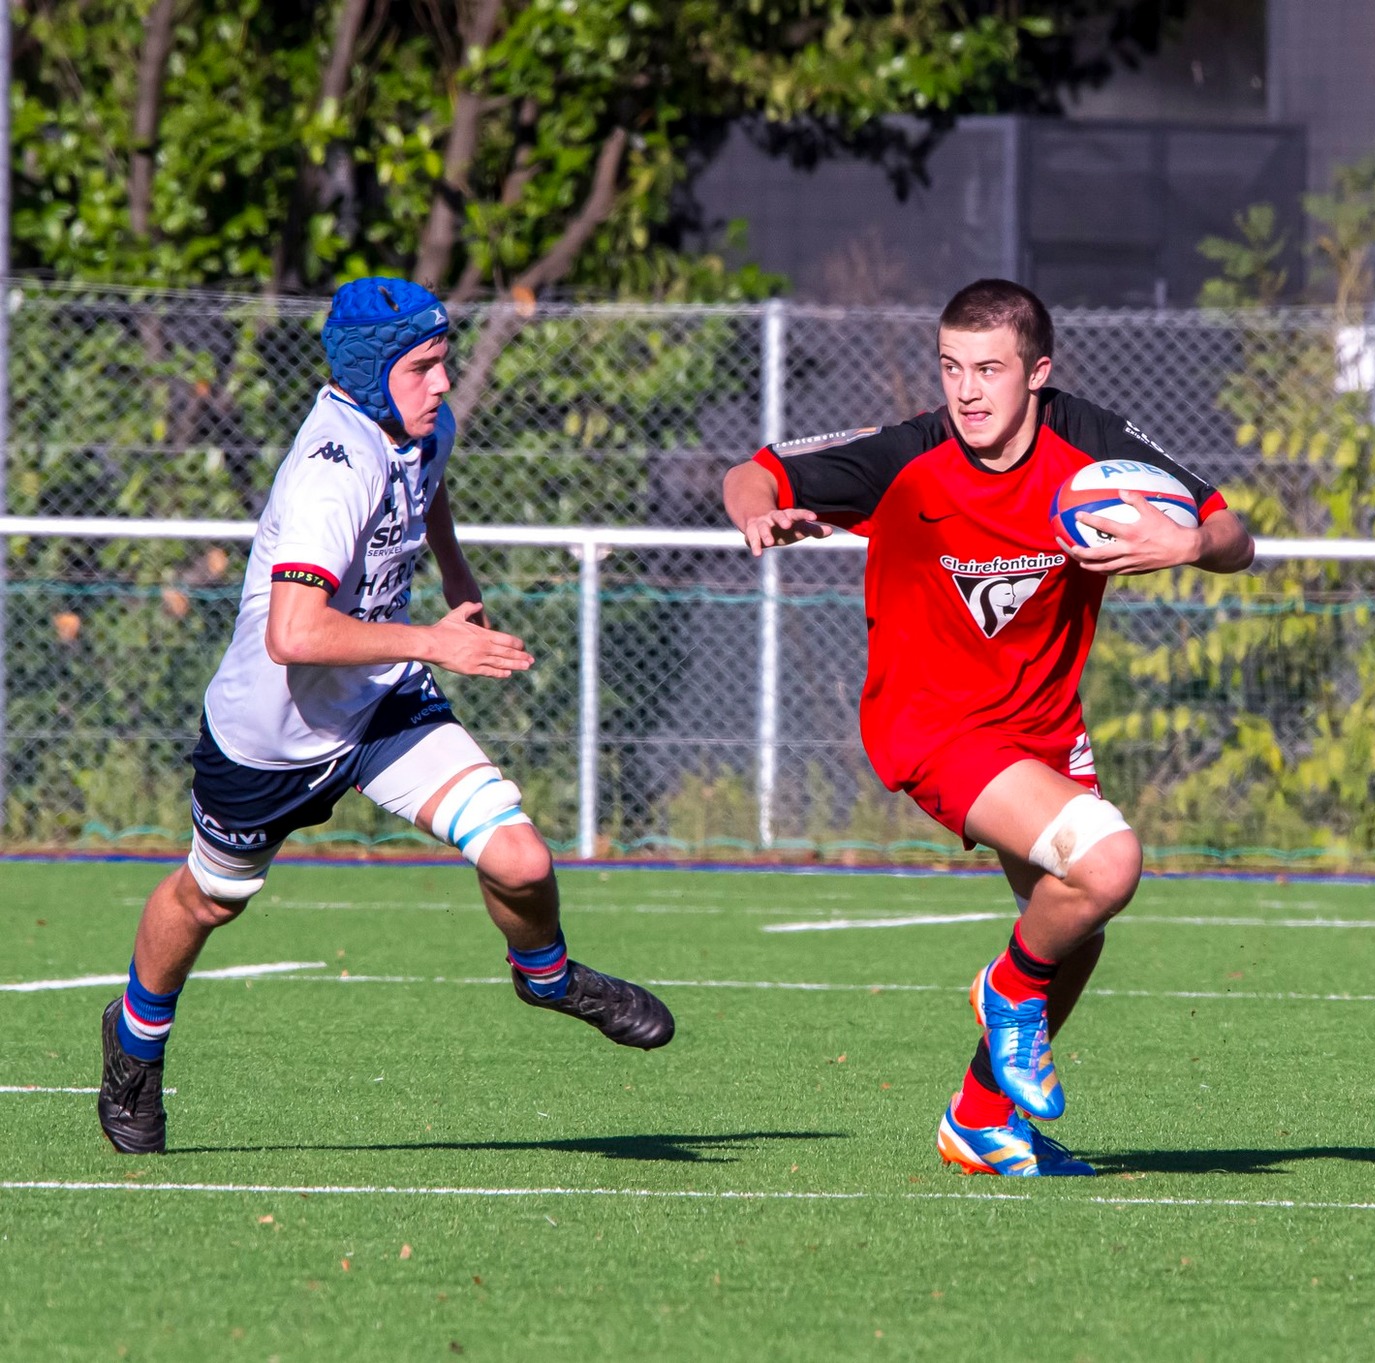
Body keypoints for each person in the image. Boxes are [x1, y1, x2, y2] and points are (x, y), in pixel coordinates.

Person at [97, 278, 674, 1156]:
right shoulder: (334, 466)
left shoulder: (416, 421)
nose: (443, 384)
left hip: (379, 702)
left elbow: (428, 484)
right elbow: (293, 632)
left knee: (520, 858)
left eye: (444, 359)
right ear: (372, 378)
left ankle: (547, 978)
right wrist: (437, 643)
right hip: (270, 736)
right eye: (425, 366)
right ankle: (135, 1044)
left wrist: (456, 577)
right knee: (210, 898)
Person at [723, 279, 1254, 1176]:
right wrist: (756, 512)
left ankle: (977, 1115)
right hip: (935, 727)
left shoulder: (1091, 444)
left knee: (1075, 927)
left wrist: (1191, 544)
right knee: (1109, 861)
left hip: (1044, 731)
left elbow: (1235, 532)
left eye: (991, 370)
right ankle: (1006, 991)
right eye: (952, 367)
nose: (967, 391)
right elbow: (756, 471)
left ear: (1038, 374)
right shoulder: (908, 454)